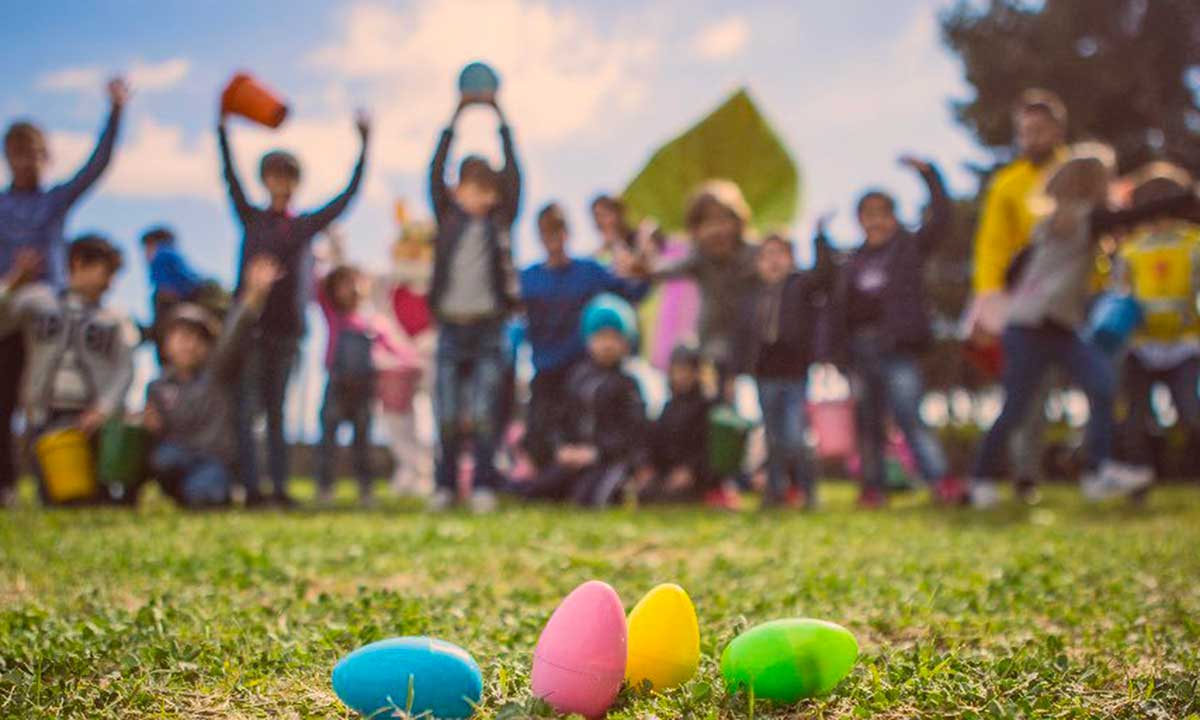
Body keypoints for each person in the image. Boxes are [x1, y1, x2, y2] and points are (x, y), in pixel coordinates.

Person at [969, 145, 1200, 508]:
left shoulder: (1053, 222)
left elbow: (1015, 268)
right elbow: (1137, 214)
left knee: (1103, 384)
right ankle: (980, 480)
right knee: (1017, 406)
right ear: (1090, 183)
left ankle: (1096, 472)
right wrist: (1186, 195)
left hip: (1058, 326)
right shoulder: (1080, 217)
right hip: (1031, 327)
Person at [218, 107, 369, 508]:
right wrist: (222, 129)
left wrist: (364, 144)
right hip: (251, 328)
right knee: (248, 410)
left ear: (296, 183)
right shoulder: (252, 220)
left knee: (277, 411)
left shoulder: (301, 228)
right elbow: (229, 178)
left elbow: (346, 199)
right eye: (274, 177)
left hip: (287, 332)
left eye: (288, 178)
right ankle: (251, 489)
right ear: (265, 181)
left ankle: (279, 488)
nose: (281, 185)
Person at [0, 76, 127, 506]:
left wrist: (115, 113)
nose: (27, 161)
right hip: (10, 312)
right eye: (18, 153)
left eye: (35, 153)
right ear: (7, 157)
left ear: (46, 156)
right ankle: (6, 484)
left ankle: (58, 479)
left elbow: (96, 166)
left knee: (57, 398)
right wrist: (12, 284)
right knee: (6, 398)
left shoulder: (54, 201)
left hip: (53, 320)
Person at [824, 156, 964, 508]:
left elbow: (942, 219)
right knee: (868, 424)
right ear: (859, 221)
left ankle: (940, 480)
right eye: (868, 215)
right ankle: (873, 488)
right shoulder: (851, 261)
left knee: (909, 416)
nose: (875, 222)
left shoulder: (908, 249)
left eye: (882, 214)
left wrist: (930, 176)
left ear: (893, 217)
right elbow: (831, 302)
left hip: (897, 348)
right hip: (861, 349)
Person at [967, 89, 1069, 502]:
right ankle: (1024, 473)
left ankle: (1107, 464)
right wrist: (989, 299)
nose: (1032, 138)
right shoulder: (1007, 184)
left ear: (1058, 131)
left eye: (1040, 130)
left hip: (1078, 295)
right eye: (1025, 131)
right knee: (1027, 388)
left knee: (1101, 380)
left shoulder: (1078, 173)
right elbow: (991, 246)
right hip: (1026, 300)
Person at [427, 96, 521, 513]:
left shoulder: (499, 225)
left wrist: (499, 116)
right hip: (451, 328)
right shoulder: (448, 219)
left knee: (484, 412)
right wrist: (457, 115)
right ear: (458, 189)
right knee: (447, 412)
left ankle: (482, 484)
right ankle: (445, 486)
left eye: (489, 190)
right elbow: (434, 172)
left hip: (487, 330)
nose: (481, 197)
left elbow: (515, 177)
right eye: (473, 188)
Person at [0, 237, 136, 504]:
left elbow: (125, 368)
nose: (110, 282)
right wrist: (13, 284)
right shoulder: (38, 301)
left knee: (91, 496)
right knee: (56, 496)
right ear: (79, 263)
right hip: (44, 414)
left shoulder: (115, 318)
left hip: (92, 420)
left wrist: (103, 409)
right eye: (105, 271)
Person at [143, 257, 281, 508]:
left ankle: (215, 489)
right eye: (181, 336)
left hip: (212, 460)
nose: (189, 344)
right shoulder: (157, 387)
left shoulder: (215, 375)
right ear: (165, 344)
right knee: (162, 459)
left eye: (198, 338)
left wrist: (254, 295)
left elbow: (233, 333)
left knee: (204, 493)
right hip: (178, 457)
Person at [520, 202, 646, 468]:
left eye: (558, 230)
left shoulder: (588, 272)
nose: (553, 239)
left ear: (568, 233)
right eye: (547, 232)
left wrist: (641, 266)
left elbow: (631, 290)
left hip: (580, 371)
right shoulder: (529, 279)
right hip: (545, 370)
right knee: (541, 429)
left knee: (579, 428)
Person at [513, 295, 646, 507]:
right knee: (535, 491)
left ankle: (622, 488)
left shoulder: (628, 384)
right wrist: (562, 448)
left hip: (608, 460)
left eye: (613, 338)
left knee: (589, 499)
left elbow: (633, 432)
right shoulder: (577, 377)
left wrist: (597, 452)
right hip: (575, 456)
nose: (607, 345)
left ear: (625, 342)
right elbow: (560, 419)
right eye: (601, 337)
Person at [735, 233, 835, 509]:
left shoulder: (801, 287)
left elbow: (825, 275)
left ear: (791, 259)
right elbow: (742, 336)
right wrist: (737, 370)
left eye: (780, 254)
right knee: (772, 436)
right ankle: (774, 490)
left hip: (794, 373)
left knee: (795, 435)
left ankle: (807, 489)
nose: (773, 261)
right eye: (766, 255)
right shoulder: (752, 296)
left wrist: (819, 239)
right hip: (763, 374)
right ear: (758, 263)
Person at [1114, 165, 1200, 479]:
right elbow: (1117, 294)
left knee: (1191, 411)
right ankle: (1140, 476)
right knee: (1134, 418)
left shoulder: (1193, 242)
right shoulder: (1131, 248)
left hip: (1185, 344)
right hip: (1141, 345)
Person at [644, 180, 760, 397]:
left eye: (723, 220)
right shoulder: (699, 259)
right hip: (714, 343)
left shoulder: (754, 255)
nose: (716, 231)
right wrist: (645, 259)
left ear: (737, 221)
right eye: (707, 223)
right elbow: (662, 270)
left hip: (752, 344)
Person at [313, 239, 404, 507]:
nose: (349, 289)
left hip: (365, 388)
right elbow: (318, 286)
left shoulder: (373, 321)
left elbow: (396, 350)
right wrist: (333, 251)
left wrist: (404, 363)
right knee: (328, 438)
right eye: (343, 283)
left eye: (355, 281)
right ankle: (324, 488)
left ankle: (366, 490)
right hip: (337, 384)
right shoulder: (334, 315)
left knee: (363, 441)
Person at [637, 346, 715, 505]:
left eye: (686, 371)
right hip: (667, 471)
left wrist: (691, 471)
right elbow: (654, 441)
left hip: (693, 474)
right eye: (677, 371)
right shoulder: (668, 407)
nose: (681, 377)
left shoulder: (708, 407)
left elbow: (707, 448)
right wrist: (647, 466)